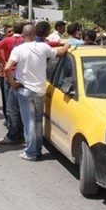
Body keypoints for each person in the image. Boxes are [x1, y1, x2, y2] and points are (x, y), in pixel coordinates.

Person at [5, 24, 70, 161]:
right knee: (38, 121)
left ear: (23, 35)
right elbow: (60, 53)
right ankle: (37, 149)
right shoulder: (43, 47)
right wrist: (66, 45)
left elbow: (7, 67)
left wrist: (12, 83)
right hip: (40, 90)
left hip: (24, 90)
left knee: (29, 122)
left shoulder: (19, 49)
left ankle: (31, 152)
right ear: (34, 35)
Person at [0, 22, 25, 145]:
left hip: (10, 74)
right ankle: (20, 133)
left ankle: (13, 133)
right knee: (21, 107)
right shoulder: (25, 40)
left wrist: (2, 62)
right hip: (21, 76)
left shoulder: (7, 41)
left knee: (11, 106)